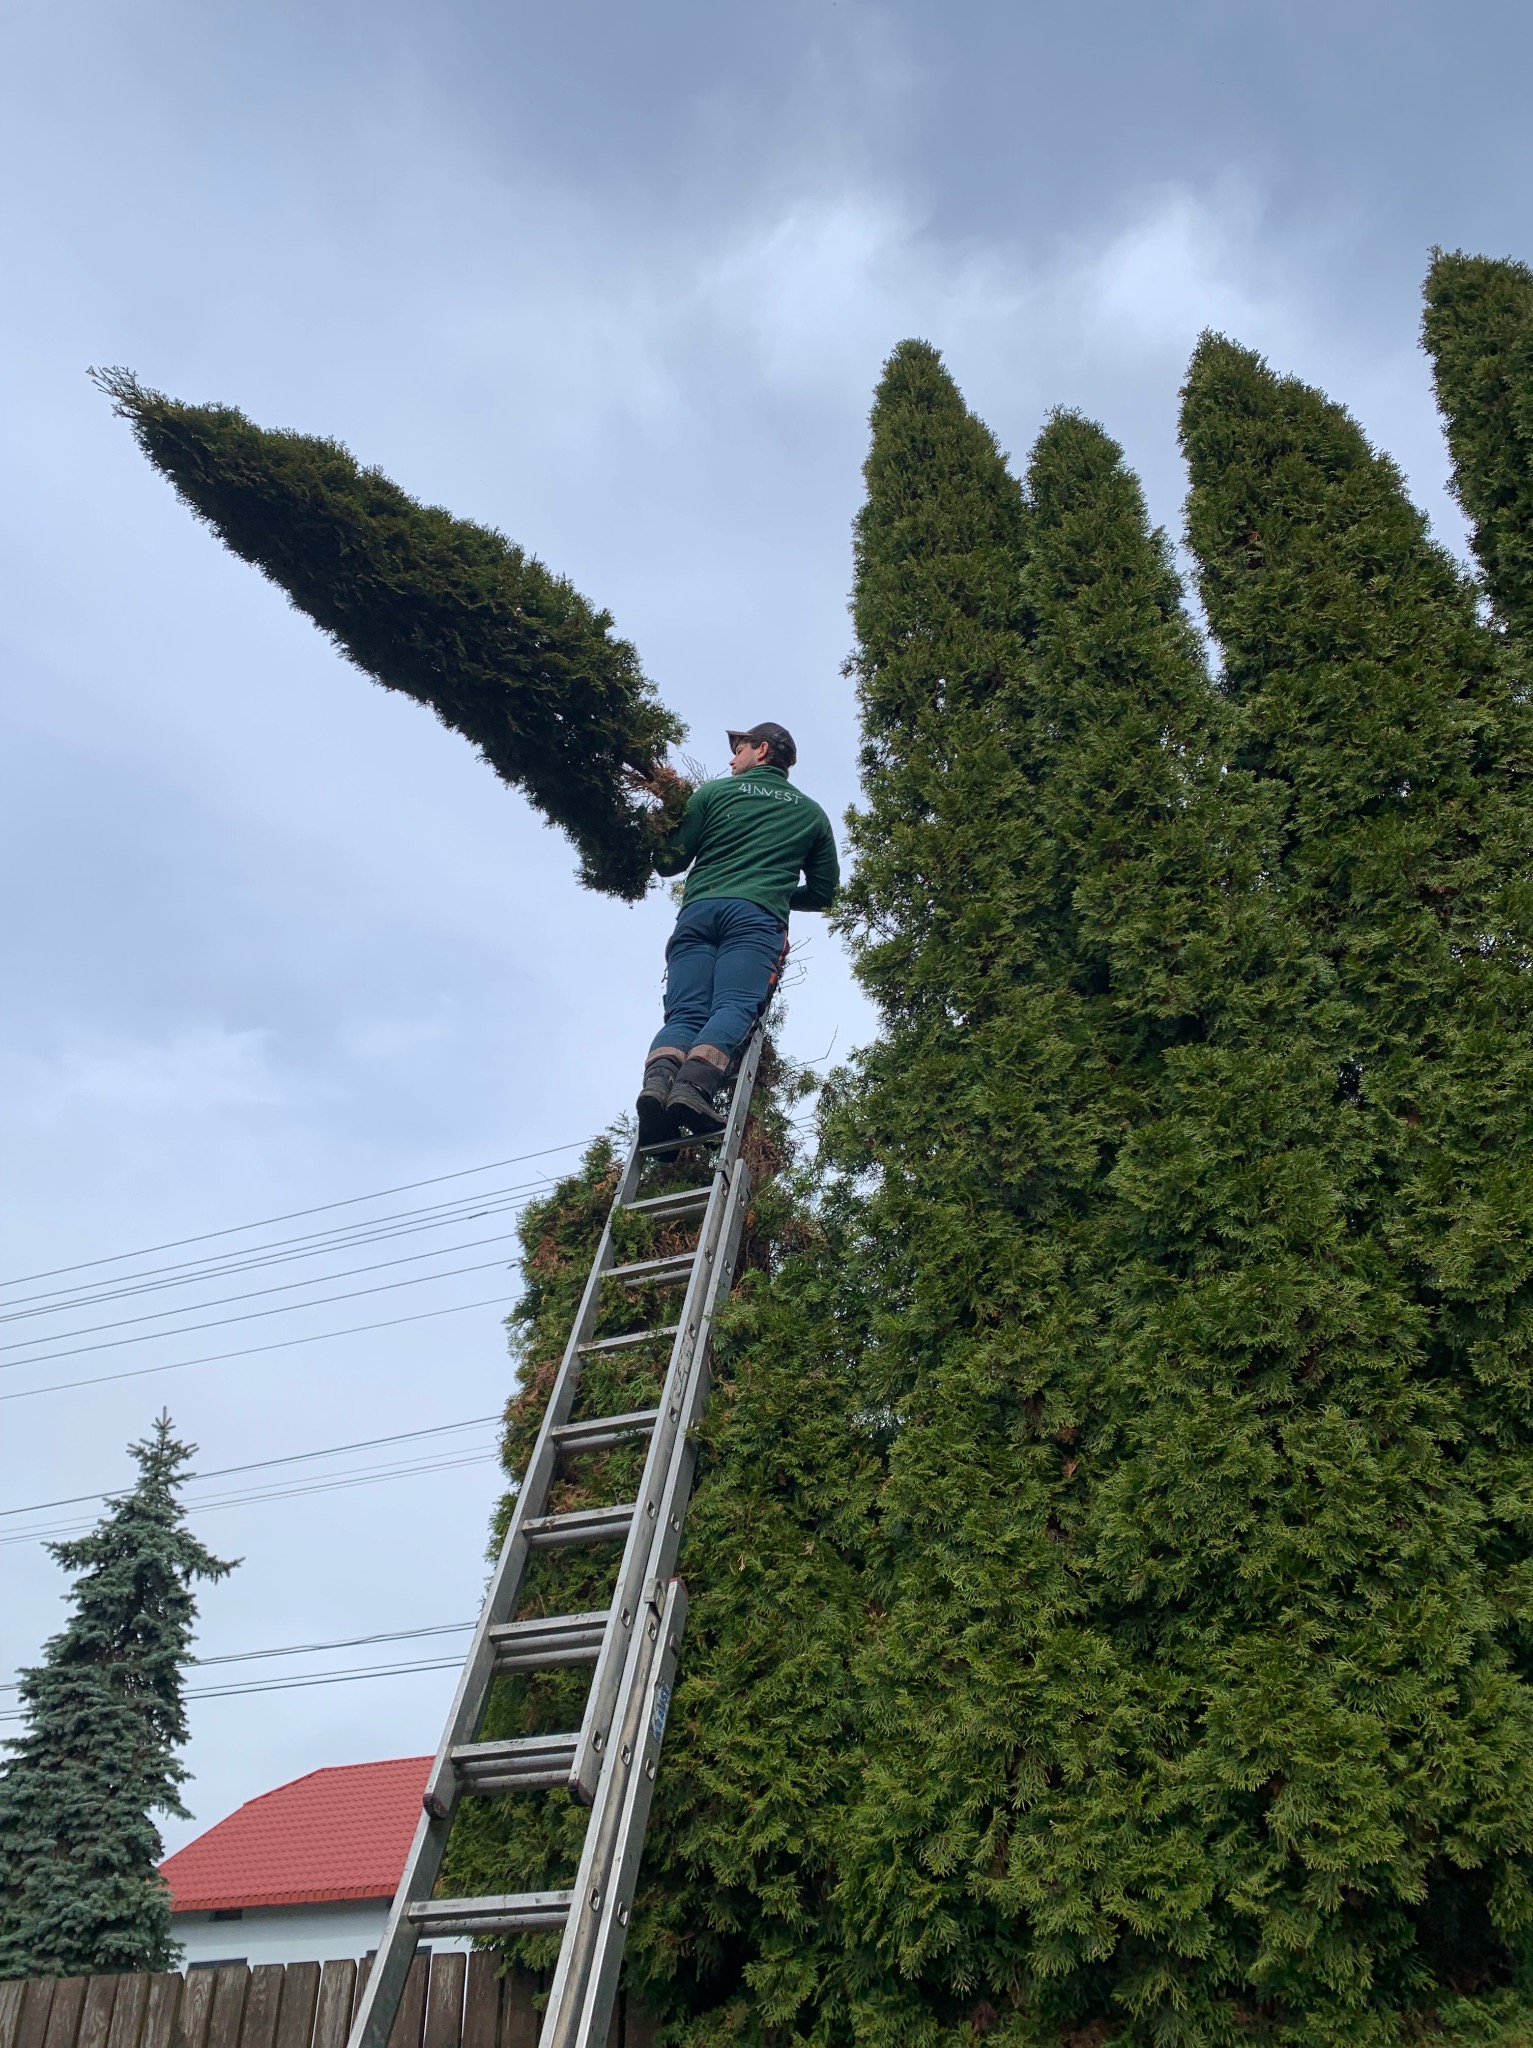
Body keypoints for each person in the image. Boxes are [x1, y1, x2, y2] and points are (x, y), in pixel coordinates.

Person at [637, 721, 839, 1142]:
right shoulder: (811, 814)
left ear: (762, 750)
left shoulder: (712, 794)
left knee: (686, 1012)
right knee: (733, 1005)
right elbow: (823, 894)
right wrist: (775, 893)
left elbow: (669, 862)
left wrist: (659, 827)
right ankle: (692, 1090)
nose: (732, 758)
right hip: (755, 919)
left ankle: (657, 1085)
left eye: (739, 748)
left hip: (697, 912)